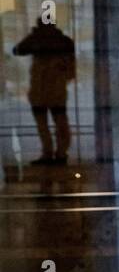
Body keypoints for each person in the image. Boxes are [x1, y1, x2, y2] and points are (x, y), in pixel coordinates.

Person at [12, 21, 75, 164]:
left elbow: (18, 50)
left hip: (47, 90)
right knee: (55, 124)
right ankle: (57, 154)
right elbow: (18, 50)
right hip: (47, 90)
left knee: (53, 124)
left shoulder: (58, 42)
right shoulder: (62, 41)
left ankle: (55, 153)